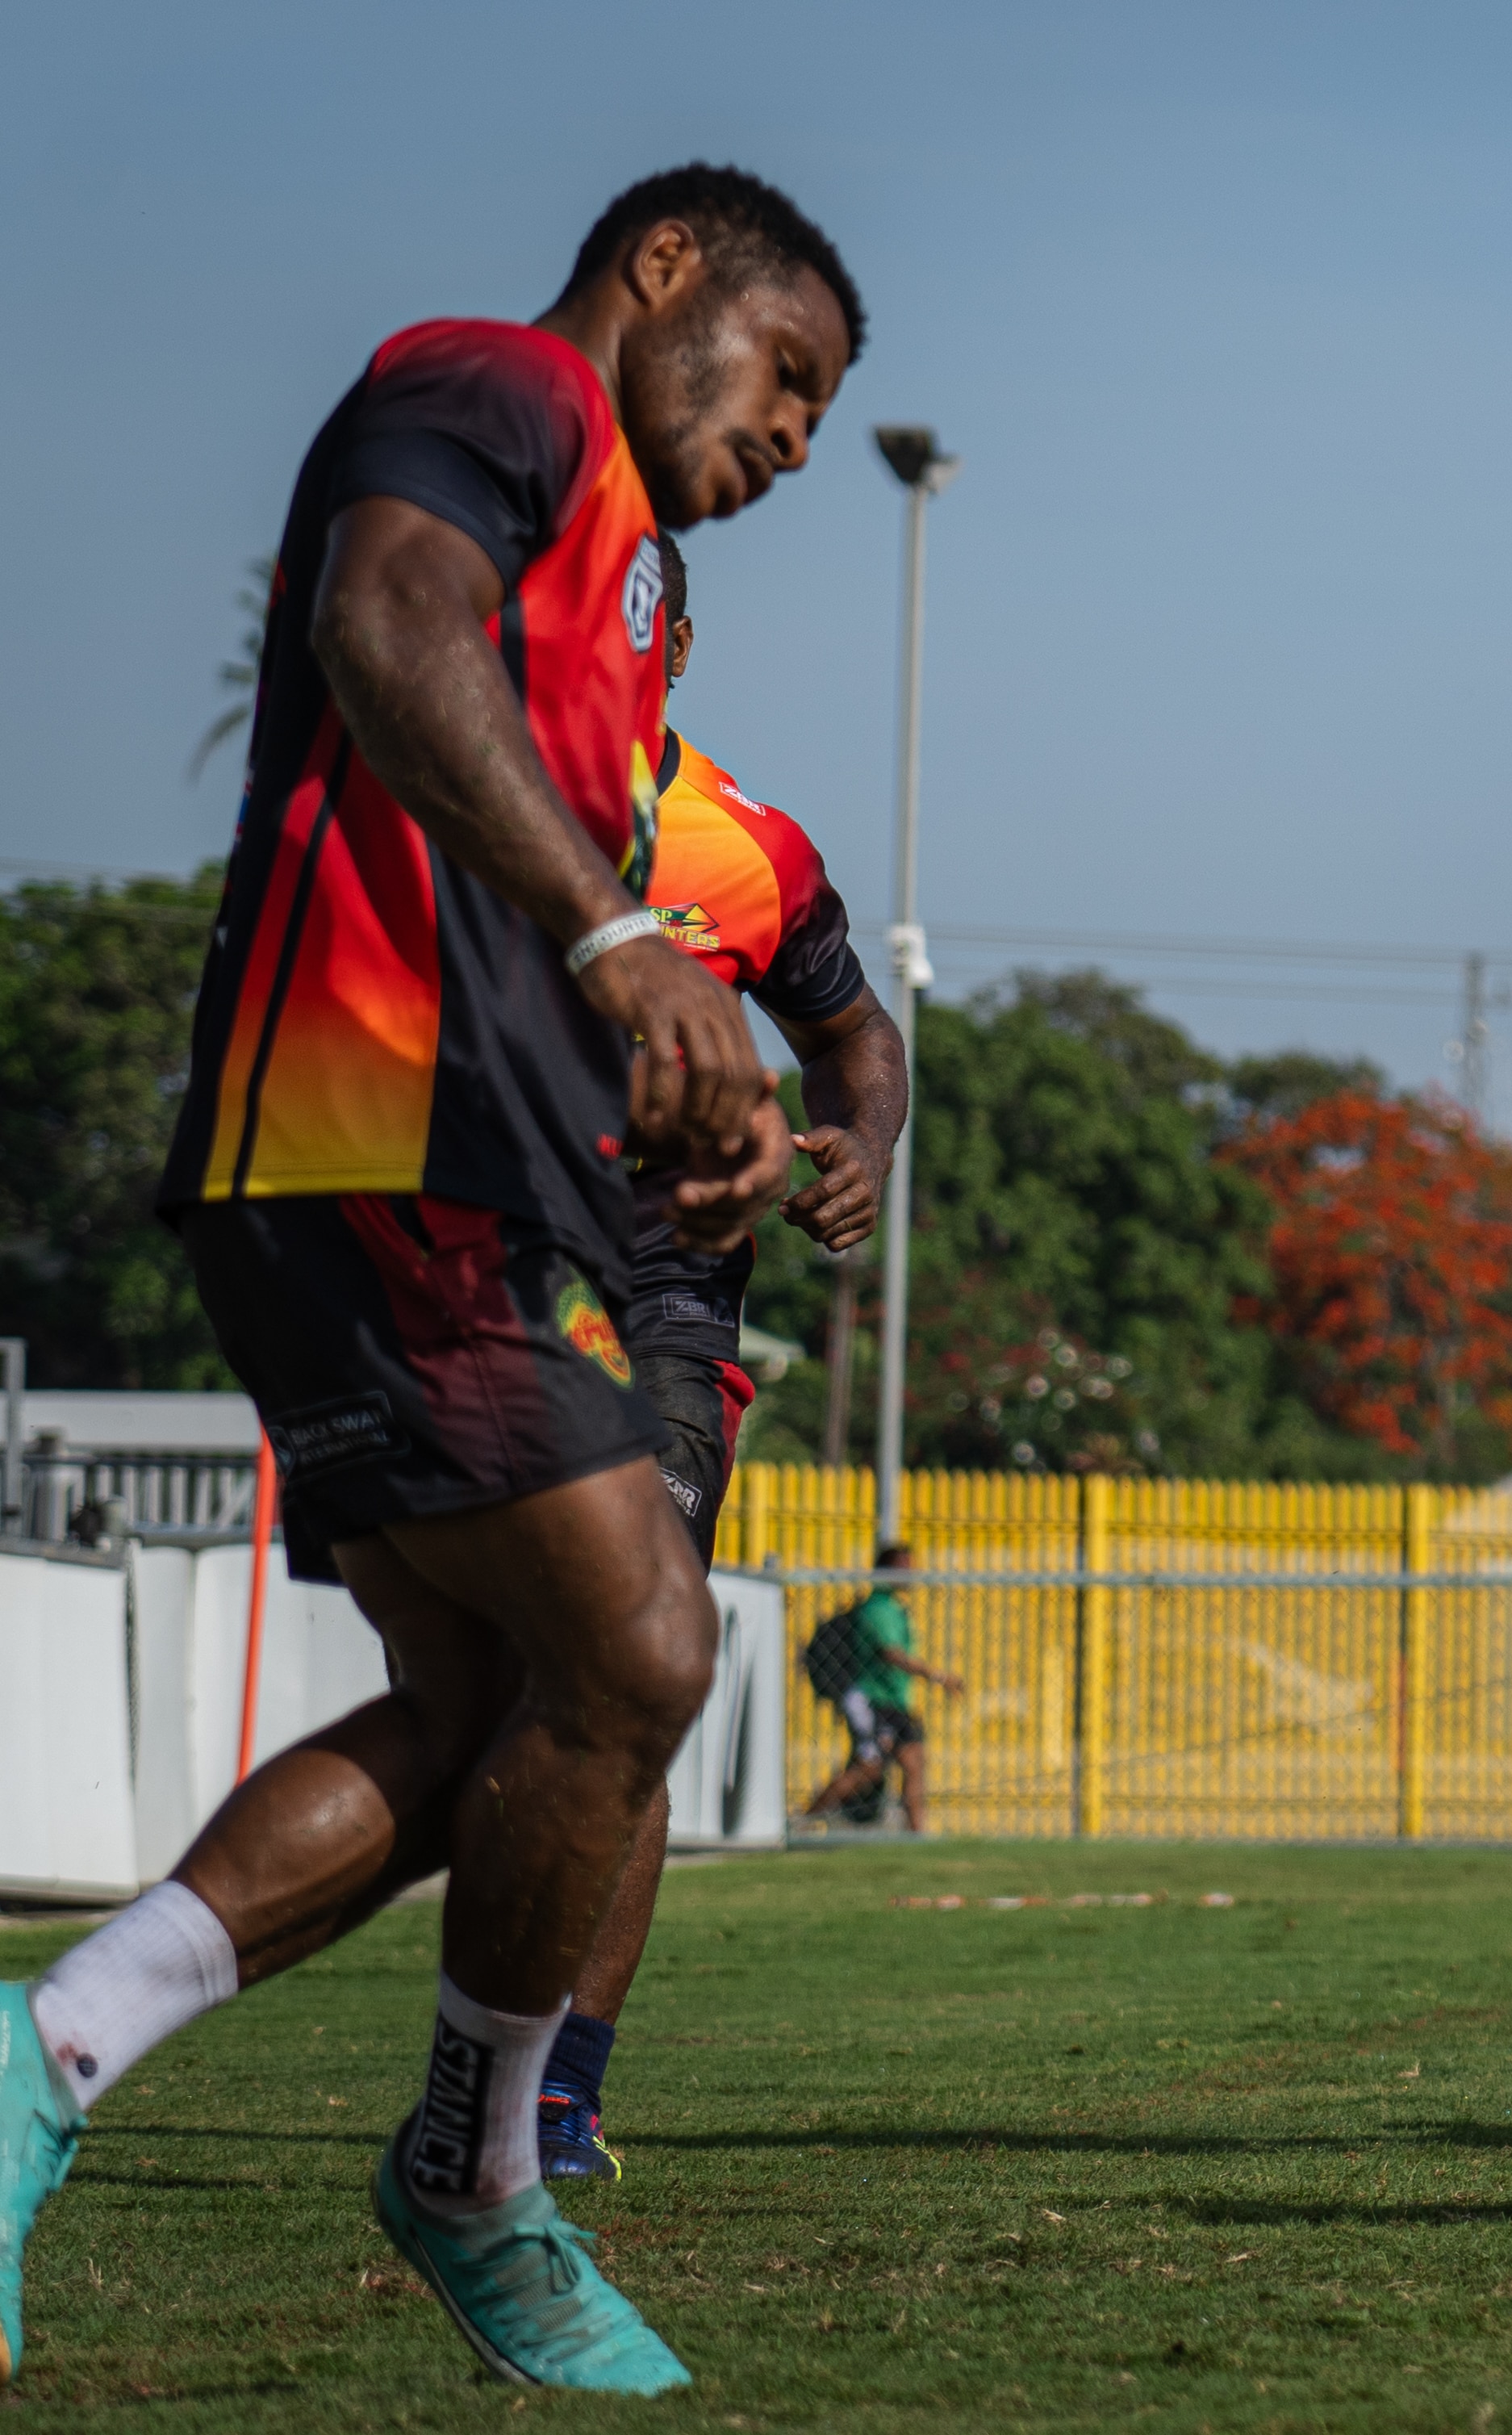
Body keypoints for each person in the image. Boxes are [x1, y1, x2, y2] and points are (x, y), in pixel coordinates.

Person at [0, 163, 863, 2393]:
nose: (787, 445)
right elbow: (382, 631)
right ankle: (474, 2173)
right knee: (643, 1642)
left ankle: (59, 2059)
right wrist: (621, 943)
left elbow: (532, 891)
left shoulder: (627, 596)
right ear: (667, 270)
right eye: (787, 382)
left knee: (492, 1710)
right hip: (372, 1137)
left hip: (445, 1161)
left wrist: (699, 1091)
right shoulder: (490, 386)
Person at [535, 531, 908, 2186]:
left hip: (672, 1286)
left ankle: (560, 2092)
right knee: (491, 1680)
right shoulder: (462, 811)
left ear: (676, 637)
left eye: (637, 623)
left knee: (637, 1657)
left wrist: (864, 1144)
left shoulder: (750, 848)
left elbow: (858, 1034)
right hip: (484, 1251)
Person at [803, 1545, 962, 1830]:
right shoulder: (877, 1608)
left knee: (914, 1764)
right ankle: (803, 1820)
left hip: (898, 1703)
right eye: (904, 1569)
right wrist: (938, 1677)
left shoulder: (895, 1608)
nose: (911, 1576)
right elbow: (891, 1654)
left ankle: (917, 1834)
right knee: (868, 1769)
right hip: (876, 1702)